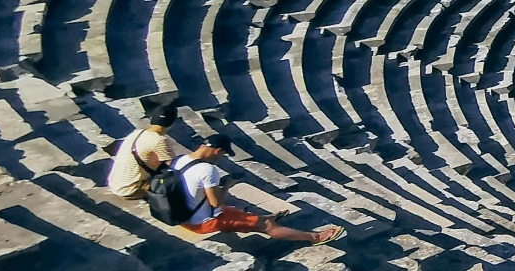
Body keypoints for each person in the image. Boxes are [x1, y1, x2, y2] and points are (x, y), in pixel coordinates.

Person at [170, 136, 341, 244]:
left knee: (235, 210)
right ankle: (315, 238)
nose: (221, 158)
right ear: (217, 151)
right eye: (222, 155)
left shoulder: (179, 160)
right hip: (202, 222)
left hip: (183, 214)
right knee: (266, 225)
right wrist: (228, 186)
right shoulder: (207, 170)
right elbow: (216, 203)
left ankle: (261, 218)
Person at [104, 92, 184, 199]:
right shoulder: (159, 140)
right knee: (179, 184)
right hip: (130, 189)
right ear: (171, 123)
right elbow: (174, 165)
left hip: (116, 183)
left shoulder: (138, 133)